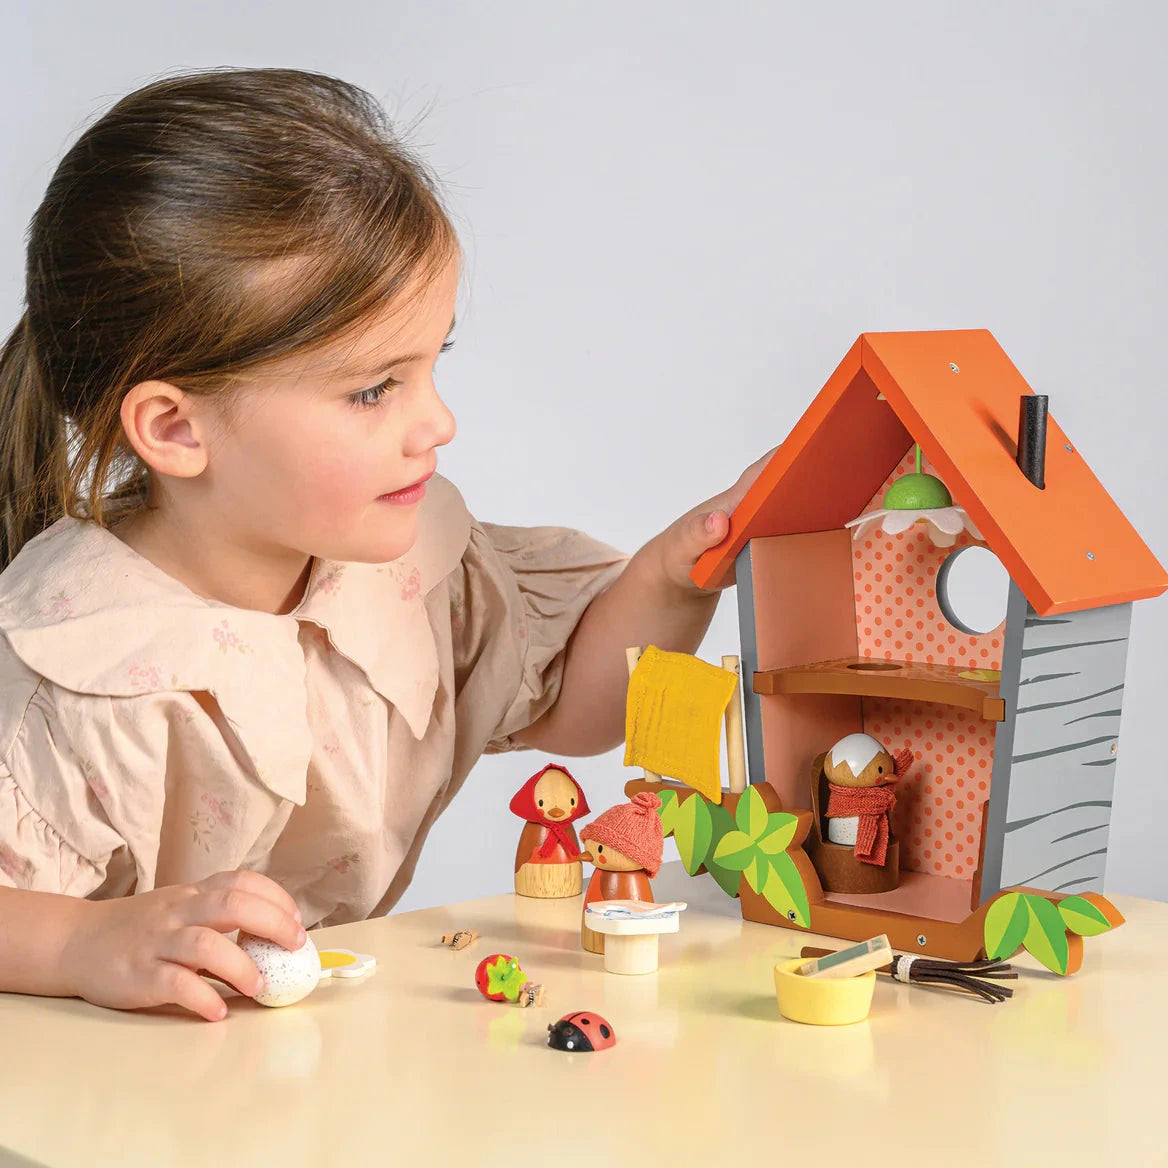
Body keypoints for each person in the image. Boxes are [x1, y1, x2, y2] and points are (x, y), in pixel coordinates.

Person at [0, 67, 766, 1022]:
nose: (436, 424)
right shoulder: (76, 664)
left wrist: (674, 571)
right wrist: (80, 941)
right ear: (176, 429)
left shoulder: (403, 570)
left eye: (431, 364)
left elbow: (574, 706)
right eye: (373, 391)